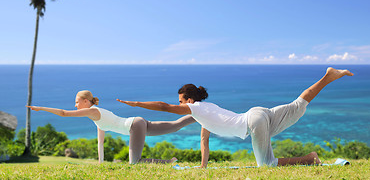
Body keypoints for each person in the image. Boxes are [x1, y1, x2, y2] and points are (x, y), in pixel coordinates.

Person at [117, 67, 354, 168]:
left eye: (180, 101)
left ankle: (310, 158)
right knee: (298, 104)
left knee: (267, 165)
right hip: (257, 114)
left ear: (189, 99)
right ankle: (328, 76)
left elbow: (164, 107)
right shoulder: (206, 110)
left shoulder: (195, 108)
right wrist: (202, 167)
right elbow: (204, 142)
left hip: (253, 122)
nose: (179, 105)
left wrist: (136, 103)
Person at [27, 90, 196, 164]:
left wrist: (41, 108)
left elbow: (64, 113)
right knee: (175, 126)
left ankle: (169, 162)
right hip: (138, 123)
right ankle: (200, 115)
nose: (75, 105)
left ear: (86, 101)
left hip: (134, 126)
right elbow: (100, 144)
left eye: (77, 102)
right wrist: (100, 164)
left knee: (134, 163)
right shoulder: (97, 117)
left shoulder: (93, 112)